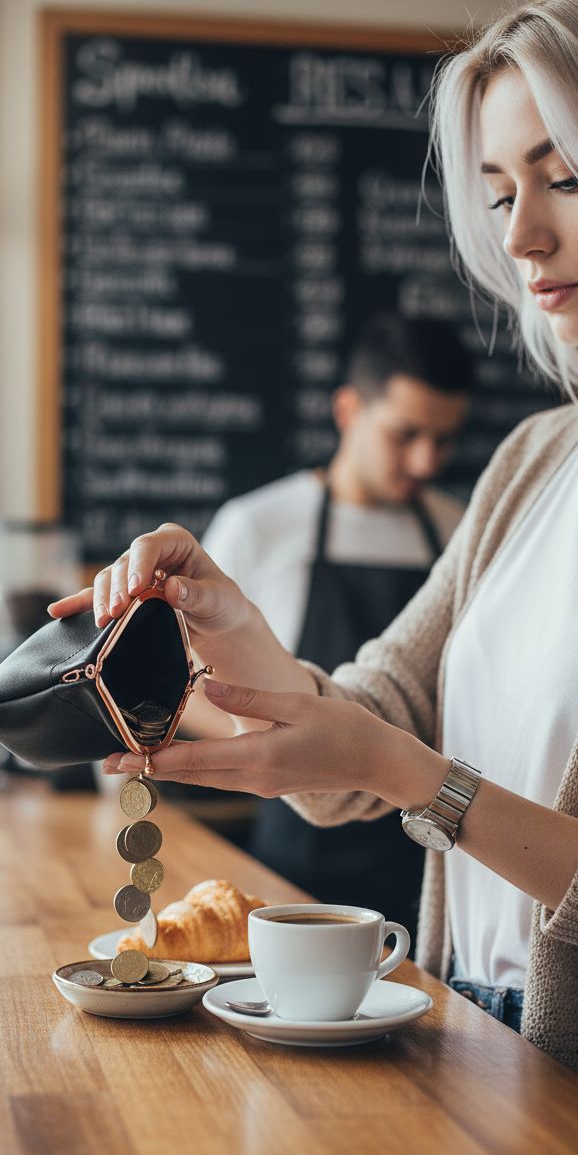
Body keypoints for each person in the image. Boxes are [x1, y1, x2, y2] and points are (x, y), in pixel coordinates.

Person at [50, 0, 578, 1120]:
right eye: (496, 190)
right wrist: (234, 631)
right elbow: (361, 735)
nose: (519, 235)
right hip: (467, 1037)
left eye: (562, 176)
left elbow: (395, 764)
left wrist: (414, 777)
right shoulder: (537, 460)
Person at [199, 315, 471, 940]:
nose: (425, 460)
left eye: (444, 440)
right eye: (404, 435)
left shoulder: (460, 533)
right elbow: (187, 685)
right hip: (298, 847)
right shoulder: (259, 525)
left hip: (430, 850)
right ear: (348, 410)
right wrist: (284, 748)